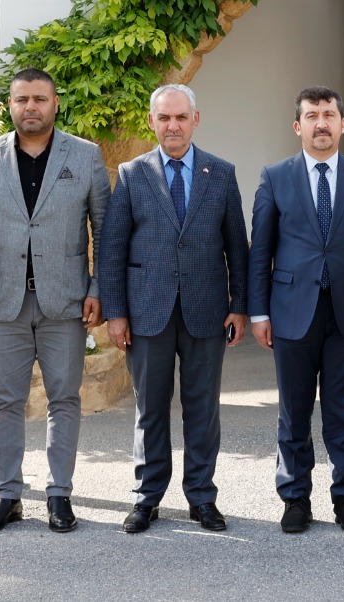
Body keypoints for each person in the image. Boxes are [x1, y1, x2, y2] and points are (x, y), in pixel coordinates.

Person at [0, 67, 110, 534]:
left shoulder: (85, 155)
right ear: (10, 105)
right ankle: (8, 495)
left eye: (40, 99)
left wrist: (98, 289)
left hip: (66, 300)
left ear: (55, 103)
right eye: (22, 99)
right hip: (4, 301)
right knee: (6, 400)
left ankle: (59, 494)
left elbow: (106, 230)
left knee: (64, 398)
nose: (31, 107)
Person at [96, 84, 248, 535]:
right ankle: (147, 498)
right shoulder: (132, 174)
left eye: (181, 117)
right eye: (164, 118)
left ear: (195, 120)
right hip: (147, 311)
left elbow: (237, 247)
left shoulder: (221, 173)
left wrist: (240, 305)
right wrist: (116, 313)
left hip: (207, 310)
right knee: (150, 410)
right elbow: (112, 248)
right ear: (152, 122)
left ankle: (202, 498)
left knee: (203, 410)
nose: (173, 126)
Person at [250, 86, 344, 534]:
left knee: (342, 413)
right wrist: (258, 312)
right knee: (293, 412)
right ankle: (295, 498)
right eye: (312, 116)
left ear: (342, 124)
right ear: (298, 126)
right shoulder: (275, 176)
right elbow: (261, 251)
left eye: (329, 115)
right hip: (291, 312)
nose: (321, 123)